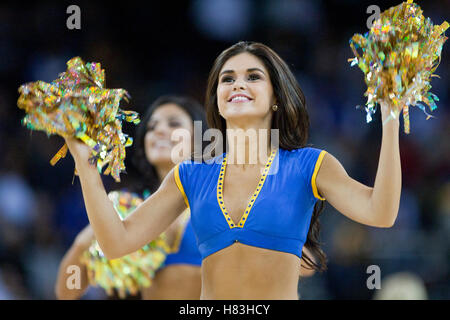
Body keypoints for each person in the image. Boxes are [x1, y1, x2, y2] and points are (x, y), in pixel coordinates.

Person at [64, 41, 401, 299]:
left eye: (253, 77)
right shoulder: (191, 175)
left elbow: (380, 212)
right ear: (219, 100)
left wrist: (390, 119)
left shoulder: (310, 165)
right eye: (228, 79)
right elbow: (117, 243)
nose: (238, 84)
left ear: (275, 98)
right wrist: (85, 162)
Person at [55, 95, 206, 300]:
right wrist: (87, 239)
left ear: (201, 138)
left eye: (174, 123)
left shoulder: (219, 201)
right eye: (152, 127)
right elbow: (67, 290)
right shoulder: (126, 207)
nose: (159, 131)